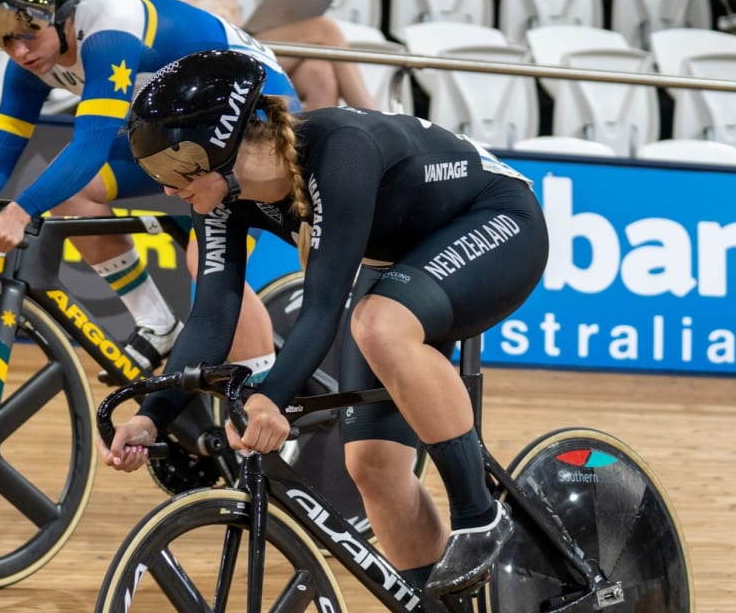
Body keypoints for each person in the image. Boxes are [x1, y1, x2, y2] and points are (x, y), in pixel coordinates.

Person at [101, 49, 550, 596]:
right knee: (372, 466)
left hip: (497, 220)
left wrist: (273, 396)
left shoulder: (339, 152)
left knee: (378, 324)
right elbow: (214, 313)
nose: (169, 190)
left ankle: (479, 515)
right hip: (399, 262)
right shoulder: (217, 197)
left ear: (220, 144)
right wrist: (154, 416)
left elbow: (322, 304)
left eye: (172, 168)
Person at [0, 0, 301, 380]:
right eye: (0, 38)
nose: (17, 50)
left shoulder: (109, 35)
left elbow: (89, 146)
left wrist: (20, 212)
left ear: (62, 11)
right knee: (74, 192)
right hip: (192, 134)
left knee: (210, 258)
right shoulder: (30, 61)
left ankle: (264, 403)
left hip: (255, 123)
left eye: (27, 32)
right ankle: (156, 325)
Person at [134, 0, 379, 111]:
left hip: (237, 51)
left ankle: (314, 155)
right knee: (324, 28)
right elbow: (142, 25)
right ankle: (371, 113)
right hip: (195, 57)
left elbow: (238, 30)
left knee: (318, 69)